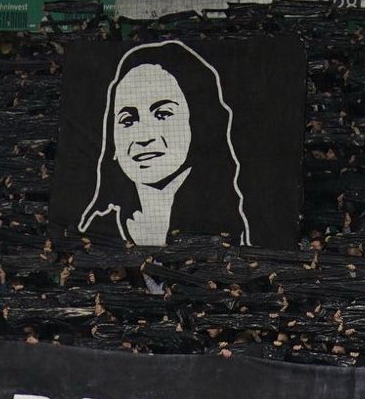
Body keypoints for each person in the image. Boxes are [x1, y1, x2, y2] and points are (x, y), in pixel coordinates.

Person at [76, 39, 252, 245]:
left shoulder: (223, 216)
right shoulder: (101, 223)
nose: (143, 137)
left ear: (198, 121)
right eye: (128, 120)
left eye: (162, 114)